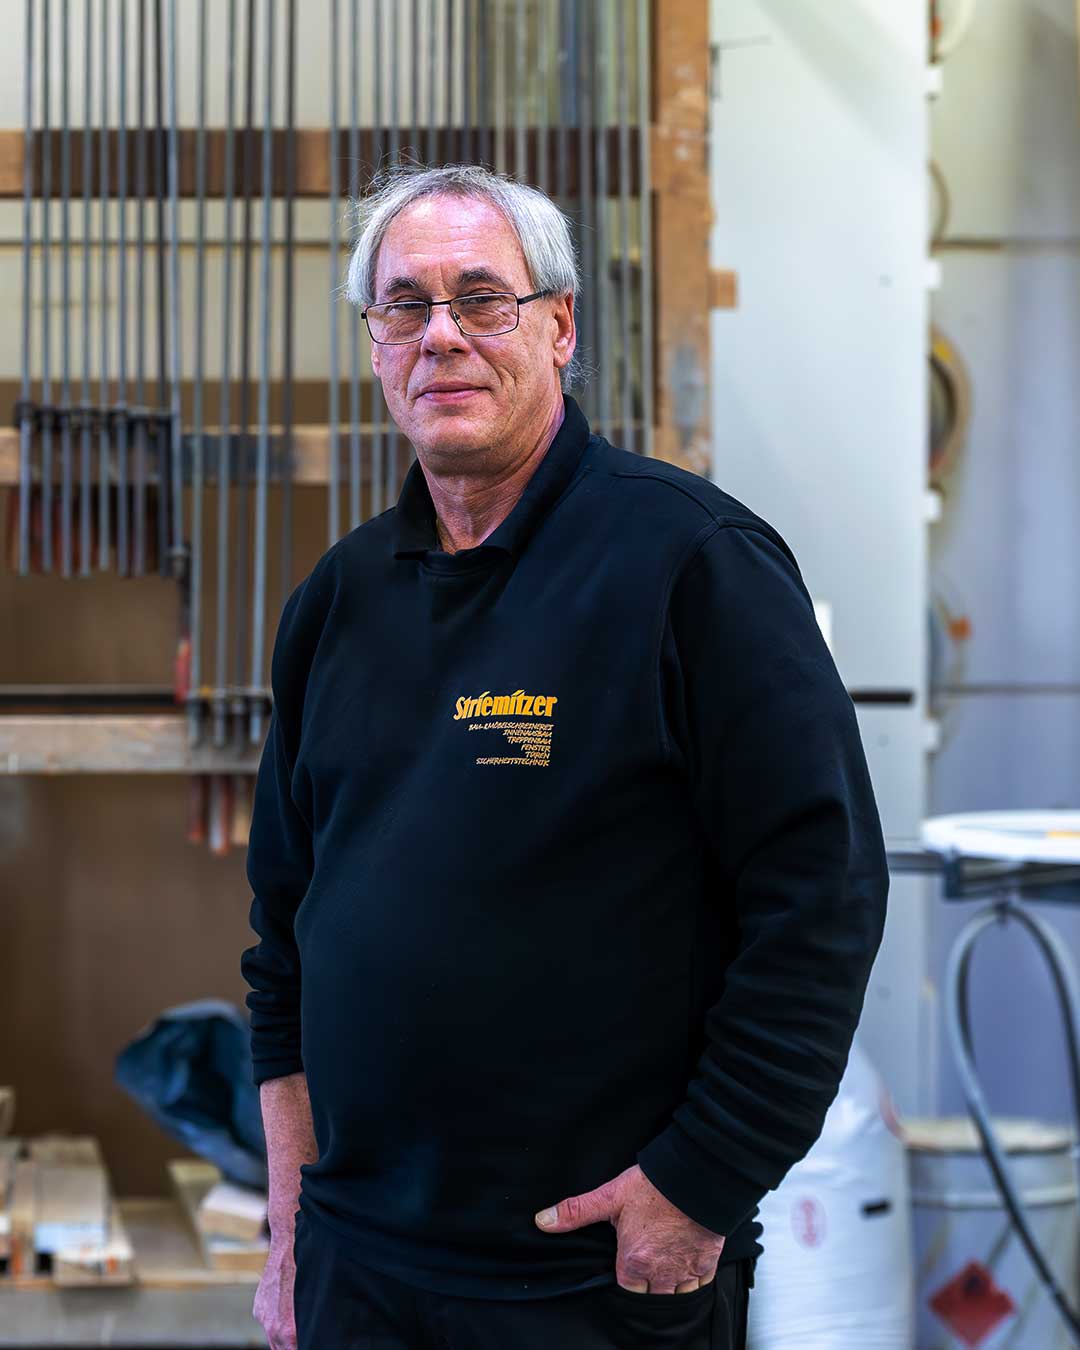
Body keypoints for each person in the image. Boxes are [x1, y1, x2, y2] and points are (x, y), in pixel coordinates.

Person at [241, 163, 889, 1350]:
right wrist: (291, 1224)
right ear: (376, 344)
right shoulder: (338, 600)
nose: (441, 336)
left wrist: (699, 1185)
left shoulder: (693, 565)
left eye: (482, 299)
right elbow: (282, 945)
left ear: (560, 326)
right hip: (360, 1269)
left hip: (585, 1279)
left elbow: (823, 899)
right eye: (404, 306)